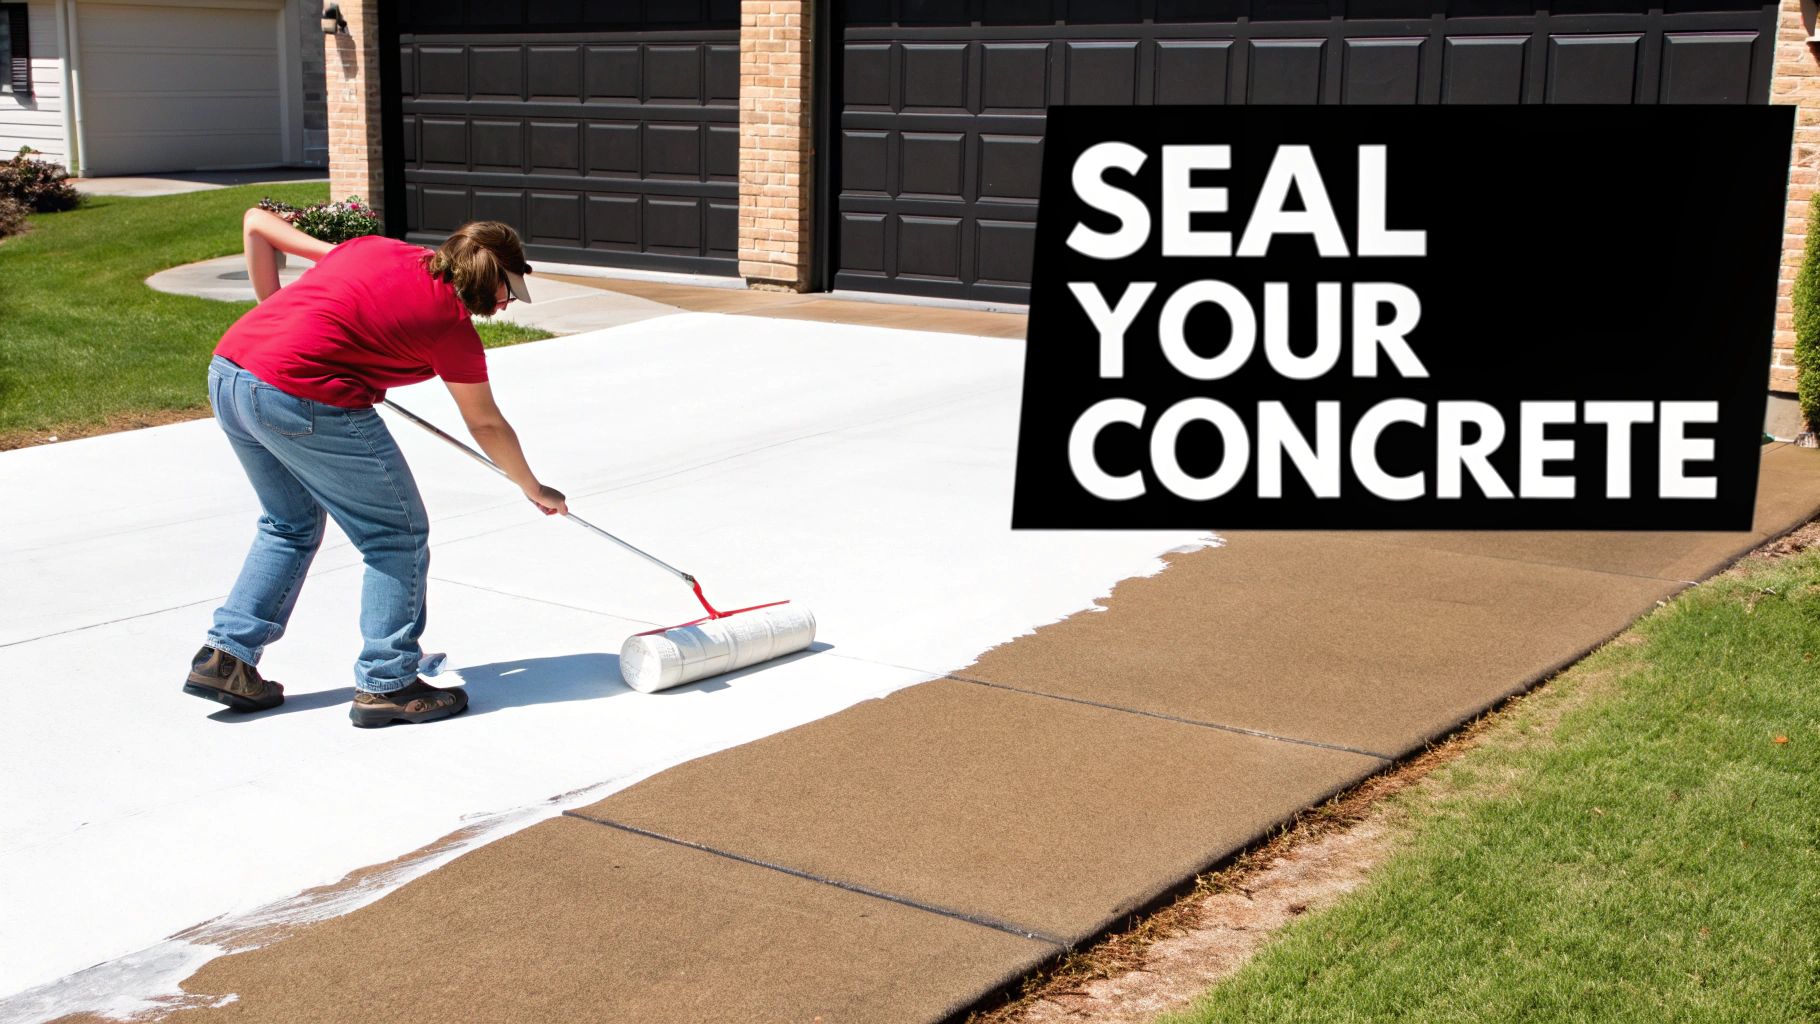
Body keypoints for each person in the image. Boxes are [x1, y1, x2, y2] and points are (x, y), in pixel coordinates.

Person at [182, 209, 568, 727]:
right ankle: (387, 682)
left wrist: (281, 321)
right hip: (301, 398)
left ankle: (226, 657)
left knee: (289, 524)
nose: (504, 305)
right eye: (508, 291)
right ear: (487, 277)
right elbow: (486, 424)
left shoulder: (378, 249)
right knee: (396, 536)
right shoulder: (449, 328)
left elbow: (255, 223)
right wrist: (533, 486)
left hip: (233, 372)